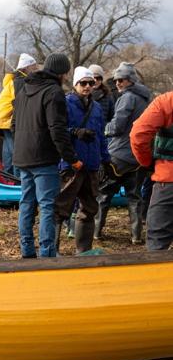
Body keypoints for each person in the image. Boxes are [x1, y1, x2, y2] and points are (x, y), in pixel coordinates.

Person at [13, 53, 81, 258]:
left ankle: (26, 249)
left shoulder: (24, 88)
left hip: (23, 155)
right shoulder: (53, 91)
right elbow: (57, 129)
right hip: (43, 157)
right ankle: (47, 252)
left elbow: (13, 124)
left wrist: (20, 147)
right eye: (67, 72)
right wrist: (72, 159)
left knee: (26, 203)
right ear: (62, 72)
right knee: (47, 205)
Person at [54, 67, 110, 254]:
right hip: (72, 165)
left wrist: (106, 160)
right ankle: (51, 250)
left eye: (91, 83)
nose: (87, 86)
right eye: (83, 83)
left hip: (92, 165)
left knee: (89, 208)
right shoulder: (66, 103)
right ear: (75, 84)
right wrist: (75, 132)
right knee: (60, 210)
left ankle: (83, 251)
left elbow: (102, 136)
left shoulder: (97, 108)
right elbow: (58, 131)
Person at [94, 62, 151, 244]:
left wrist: (101, 129)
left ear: (130, 80)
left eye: (122, 80)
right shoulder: (145, 98)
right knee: (134, 197)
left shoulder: (127, 98)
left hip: (118, 155)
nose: (118, 83)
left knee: (103, 194)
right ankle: (136, 236)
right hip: (137, 155)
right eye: (117, 80)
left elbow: (117, 127)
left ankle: (96, 232)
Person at [130, 91, 173, 250]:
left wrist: (146, 162)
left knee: (157, 244)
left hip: (168, 181)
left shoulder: (166, 102)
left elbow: (138, 134)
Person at [0, 53, 40, 176]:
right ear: (26, 68)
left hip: (1, 119)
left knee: (8, 152)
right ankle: (17, 180)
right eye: (34, 67)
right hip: (8, 120)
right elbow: (21, 104)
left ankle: (7, 177)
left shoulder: (14, 80)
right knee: (17, 153)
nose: (36, 70)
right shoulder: (21, 82)